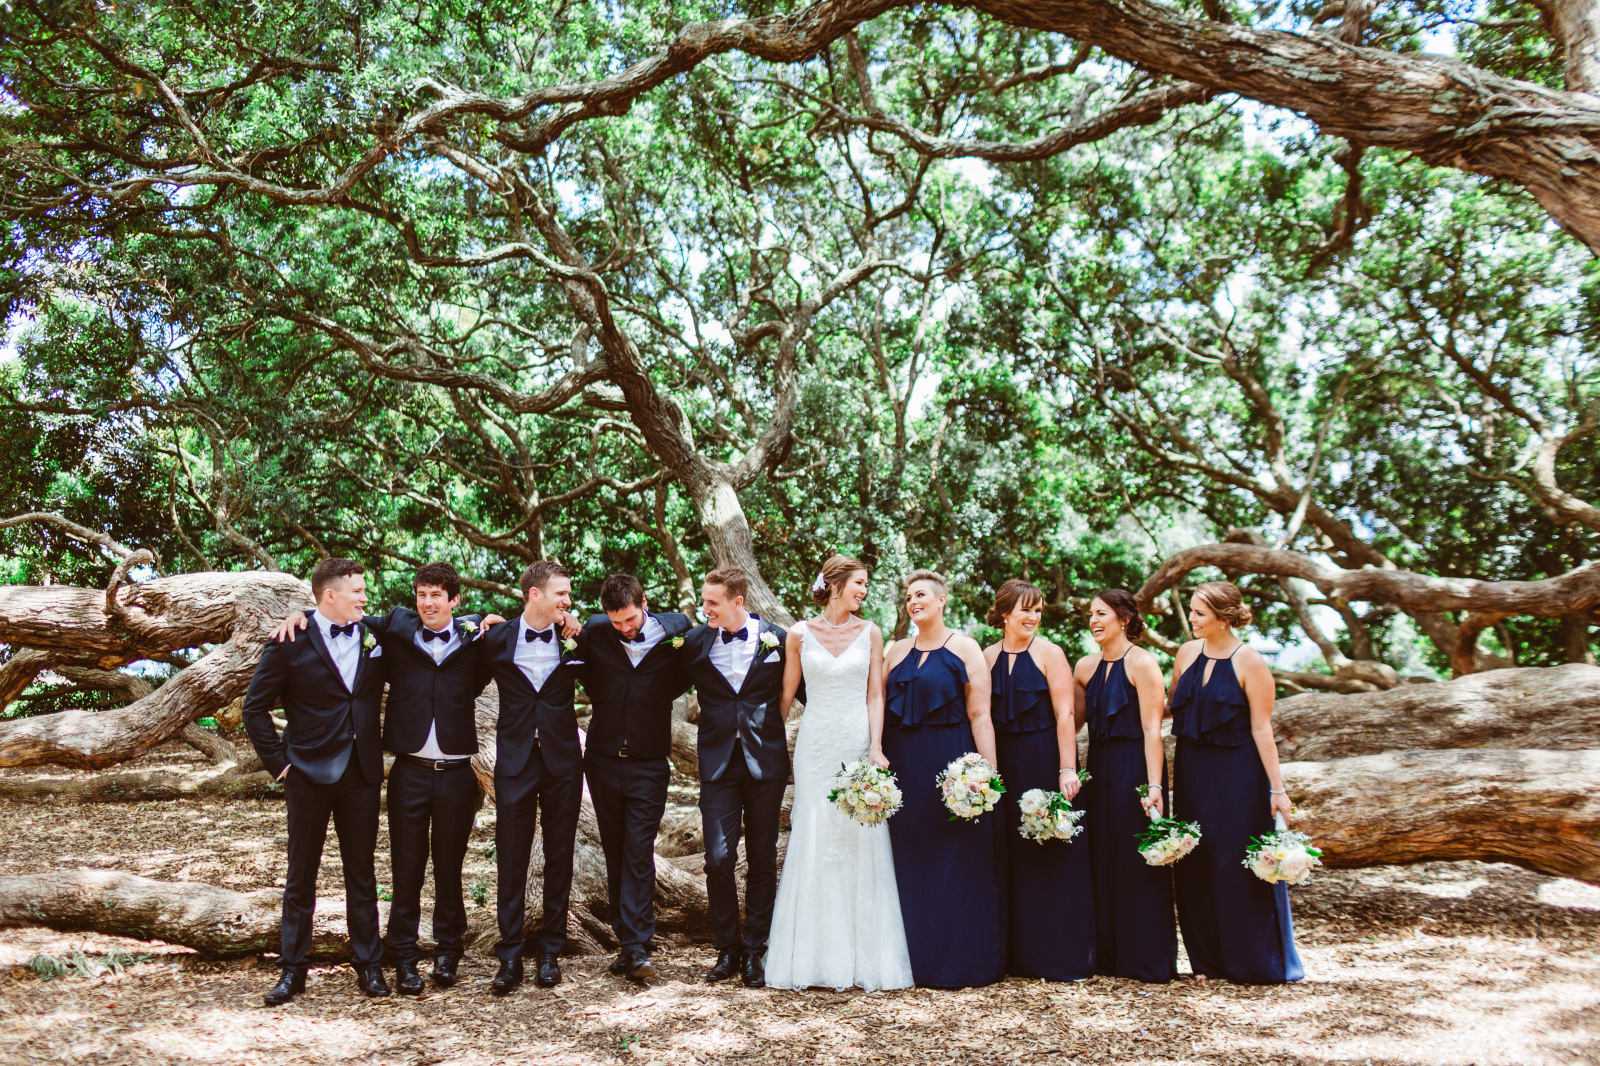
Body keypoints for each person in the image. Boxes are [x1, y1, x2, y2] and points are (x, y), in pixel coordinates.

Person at [270, 561, 491, 995]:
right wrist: (300, 613)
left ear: (455, 599)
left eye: (437, 595)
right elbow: (330, 613)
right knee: (405, 870)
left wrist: (491, 620)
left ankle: (448, 952)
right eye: (421, 594)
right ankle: (403, 959)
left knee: (450, 869)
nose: (427, 603)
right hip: (407, 771)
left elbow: (509, 634)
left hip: (456, 773)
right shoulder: (393, 629)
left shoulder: (476, 638)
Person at [241, 558, 390, 1005]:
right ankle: (292, 971)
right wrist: (280, 765)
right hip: (306, 773)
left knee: (361, 873)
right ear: (330, 595)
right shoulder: (290, 641)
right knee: (301, 874)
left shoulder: (375, 633)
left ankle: (370, 966)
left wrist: (481, 620)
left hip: (361, 773)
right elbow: (254, 708)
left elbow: (426, 620)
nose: (364, 597)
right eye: (357, 591)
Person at [767, 555, 912, 991]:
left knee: (858, 834)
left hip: (855, 742)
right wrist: (768, 747)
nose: (864, 591)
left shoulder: (871, 632)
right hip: (814, 746)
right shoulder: (798, 633)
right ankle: (811, 955)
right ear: (835, 584)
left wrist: (876, 747)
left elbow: (875, 695)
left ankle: (865, 956)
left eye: (865, 584)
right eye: (859, 583)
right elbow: (786, 695)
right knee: (814, 832)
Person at [1169, 581, 1304, 984]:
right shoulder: (1186, 653)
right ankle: (1208, 960)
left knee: (1236, 862)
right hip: (1192, 771)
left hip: (1237, 775)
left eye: (1199, 613)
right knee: (1197, 859)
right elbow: (1170, 706)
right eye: (1192, 610)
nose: (1191, 618)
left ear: (1224, 618)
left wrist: (1277, 789)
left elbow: (1262, 729)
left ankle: (1254, 961)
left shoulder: (1251, 662)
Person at [880, 569, 1005, 988]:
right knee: (910, 855)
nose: (913, 602)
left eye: (920, 594)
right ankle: (912, 961)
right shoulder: (896, 650)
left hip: (950, 761)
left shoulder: (965, 647)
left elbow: (980, 715)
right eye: (908, 597)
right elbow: (875, 705)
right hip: (903, 766)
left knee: (955, 858)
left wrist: (988, 777)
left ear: (941, 600)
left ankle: (962, 961)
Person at [679, 566, 796, 988]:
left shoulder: (778, 639)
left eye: (712, 603)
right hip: (717, 764)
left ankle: (755, 950)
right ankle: (726, 947)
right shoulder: (695, 641)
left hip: (765, 764)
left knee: (762, 859)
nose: (705, 609)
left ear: (738, 602)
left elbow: (808, 688)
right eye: (704, 601)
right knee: (717, 859)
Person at [476, 560, 588, 994]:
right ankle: (509, 954)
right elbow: (462, 672)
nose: (568, 600)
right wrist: (475, 618)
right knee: (511, 856)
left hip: (563, 762)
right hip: (515, 761)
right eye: (561, 593)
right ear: (535, 594)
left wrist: (578, 626)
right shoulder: (496, 638)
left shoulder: (576, 636)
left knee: (560, 855)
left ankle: (550, 951)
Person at [575, 574, 693, 982]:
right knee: (615, 850)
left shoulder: (676, 631)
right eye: (616, 622)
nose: (624, 628)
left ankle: (638, 944)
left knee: (639, 852)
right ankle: (628, 942)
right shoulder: (595, 631)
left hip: (649, 763)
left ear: (644, 603)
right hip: (603, 761)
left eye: (630, 619)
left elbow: (684, 674)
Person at [984, 579, 1094, 981]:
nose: (1033, 617)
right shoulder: (987, 655)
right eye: (1025, 610)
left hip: (1045, 758)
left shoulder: (1050, 653)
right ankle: (1018, 956)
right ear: (1005, 612)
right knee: (1012, 853)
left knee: (1051, 850)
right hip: (1005, 764)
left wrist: (1067, 768)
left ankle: (1061, 954)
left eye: (1038, 611)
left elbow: (1066, 714)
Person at [1074, 589, 1177, 982]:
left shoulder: (1143, 663)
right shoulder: (1084, 667)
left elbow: (1153, 731)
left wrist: (1155, 786)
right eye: (1091, 614)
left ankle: (1145, 958)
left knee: (1137, 859)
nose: (1094, 621)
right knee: (1102, 857)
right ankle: (1105, 956)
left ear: (1124, 618)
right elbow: (1072, 722)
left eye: (1101, 613)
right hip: (1098, 767)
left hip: (1135, 767)